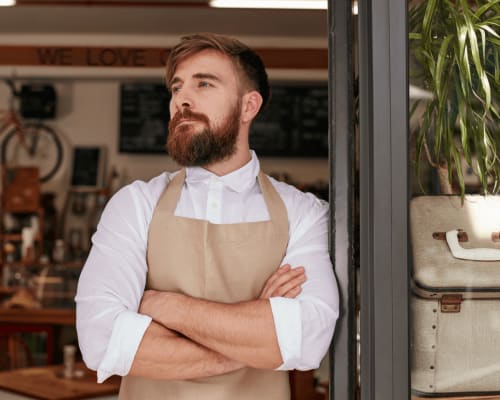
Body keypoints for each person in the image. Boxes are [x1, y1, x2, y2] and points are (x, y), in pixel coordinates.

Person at [76, 32, 339, 400]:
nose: (182, 98)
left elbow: (308, 341)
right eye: (177, 87)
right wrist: (255, 336)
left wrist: (161, 304)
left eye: (204, 84)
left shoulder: (304, 213)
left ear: (249, 106)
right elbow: (101, 342)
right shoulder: (134, 204)